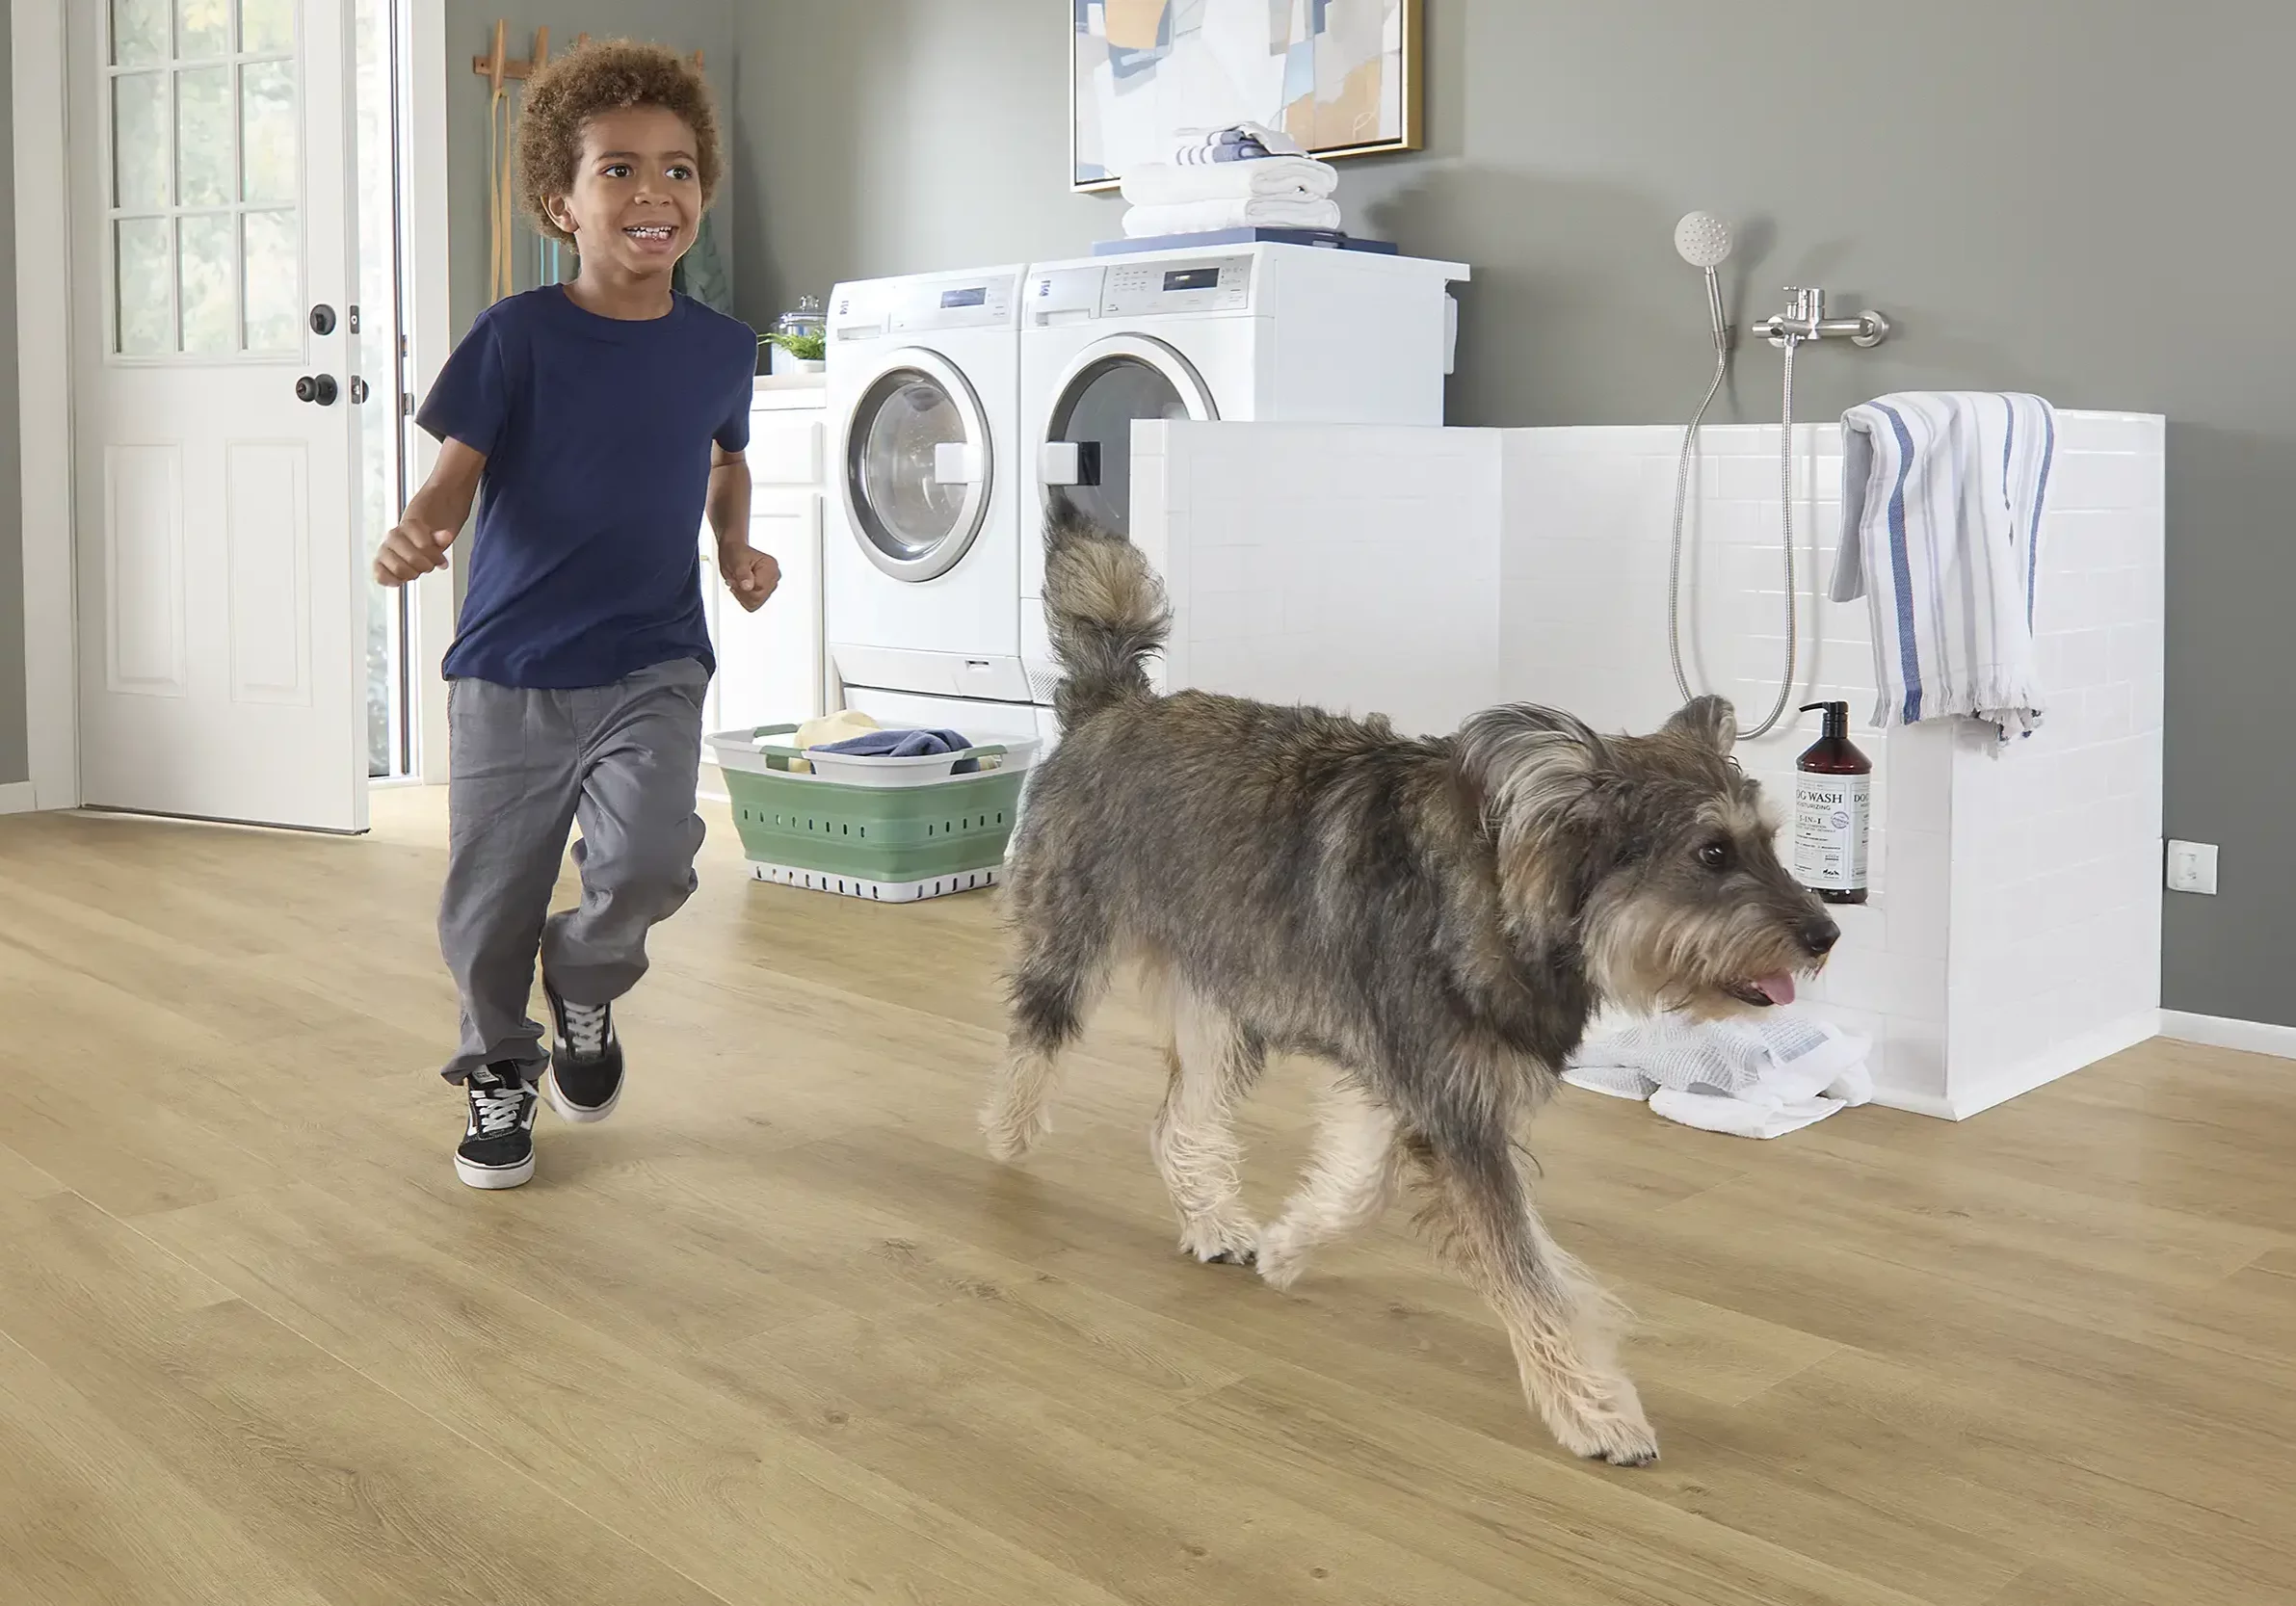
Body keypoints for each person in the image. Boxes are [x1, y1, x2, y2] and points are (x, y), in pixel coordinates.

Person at [373, 40, 778, 1189]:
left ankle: (588, 979)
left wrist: (735, 546)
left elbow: (725, 459)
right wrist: (421, 528)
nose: (654, 193)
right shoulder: (517, 334)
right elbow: (457, 471)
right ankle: (498, 1066)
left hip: (654, 658)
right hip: (511, 670)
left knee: (651, 861)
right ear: (562, 200)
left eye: (679, 170)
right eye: (618, 171)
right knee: (488, 904)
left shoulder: (718, 347)